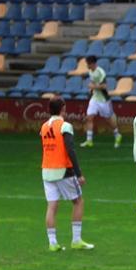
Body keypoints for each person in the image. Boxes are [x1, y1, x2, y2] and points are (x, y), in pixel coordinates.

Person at [41, 97, 93, 251]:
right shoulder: (65, 126)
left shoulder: (44, 126)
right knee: (78, 201)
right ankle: (76, 240)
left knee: (52, 206)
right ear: (63, 108)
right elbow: (70, 149)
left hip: (47, 171)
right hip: (63, 170)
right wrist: (78, 173)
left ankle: (52, 243)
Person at [81, 55, 122, 148]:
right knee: (89, 118)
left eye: (88, 64)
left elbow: (104, 86)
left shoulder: (101, 72)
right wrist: (91, 89)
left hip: (103, 100)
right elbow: (93, 82)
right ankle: (89, 141)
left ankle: (117, 135)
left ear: (92, 63)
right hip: (94, 98)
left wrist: (93, 87)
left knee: (109, 120)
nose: (87, 65)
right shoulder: (90, 71)